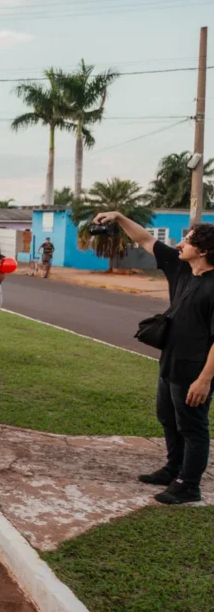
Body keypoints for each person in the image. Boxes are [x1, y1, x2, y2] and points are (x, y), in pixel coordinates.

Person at [94, 212, 214, 504]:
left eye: (187, 240)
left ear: (203, 251)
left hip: (195, 370)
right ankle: (174, 469)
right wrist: (119, 217)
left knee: (193, 427)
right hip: (170, 361)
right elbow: (145, 239)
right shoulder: (181, 267)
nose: (180, 244)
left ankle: (189, 485)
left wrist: (204, 380)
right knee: (168, 418)